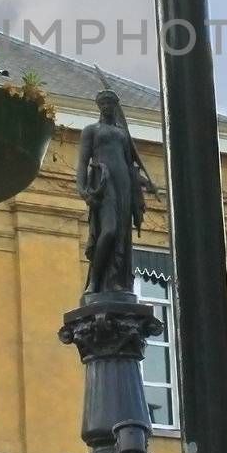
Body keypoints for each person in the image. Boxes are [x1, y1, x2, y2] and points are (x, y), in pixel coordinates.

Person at [75, 88, 158, 297]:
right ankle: (95, 280)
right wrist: (83, 190)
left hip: (124, 184)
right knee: (108, 231)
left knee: (121, 236)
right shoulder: (91, 130)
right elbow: (83, 162)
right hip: (104, 184)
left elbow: (130, 166)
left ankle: (114, 281)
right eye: (103, 103)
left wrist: (145, 182)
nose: (107, 107)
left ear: (115, 106)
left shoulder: (123, 134)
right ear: (98, 106)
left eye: (110, 103)